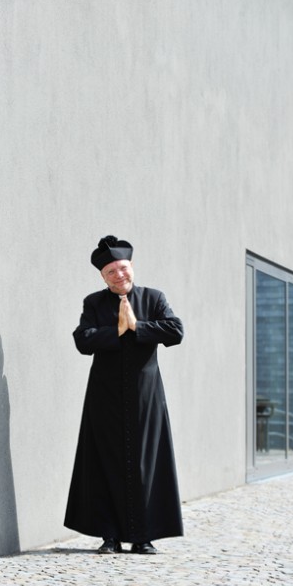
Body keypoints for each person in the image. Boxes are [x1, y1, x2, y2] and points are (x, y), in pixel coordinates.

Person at [64, 235, 184, 554]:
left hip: (146, 396)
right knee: (106, 463)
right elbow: (83, 340)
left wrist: (138, 327)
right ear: (103, 277)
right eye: (111, 272)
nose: (120, 275)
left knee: (146, 462)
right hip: (105, 397)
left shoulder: (154, 298)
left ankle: (143, 536)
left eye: (123, 268)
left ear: (132, 267)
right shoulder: (94, 303)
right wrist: (116, 331)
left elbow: (175, 331)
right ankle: (110, 536)